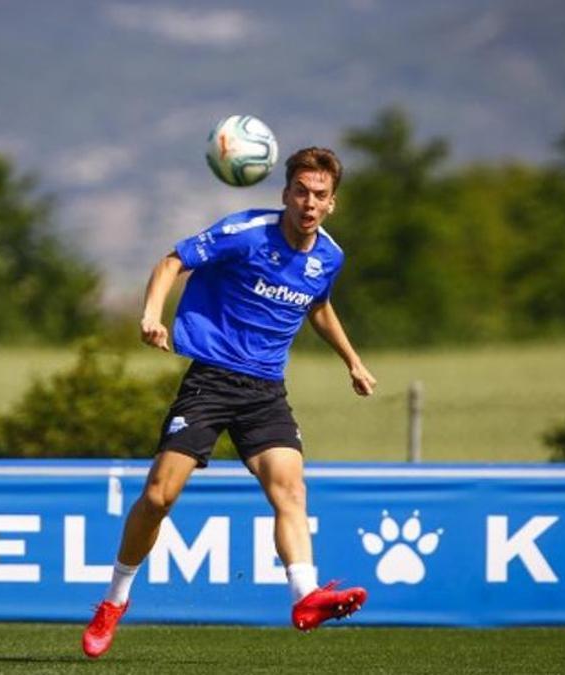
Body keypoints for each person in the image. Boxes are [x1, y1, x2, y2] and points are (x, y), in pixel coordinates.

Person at [82, 147, 377, 659]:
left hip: (265, 392)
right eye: (301, 192)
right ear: (285, 193)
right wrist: (152, 315)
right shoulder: (245, 233)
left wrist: (352, 360)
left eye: (320, 196)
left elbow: (320, 307)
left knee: (290, 489)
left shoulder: (329, 256)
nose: (309, 203)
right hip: (211, 382)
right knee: (157, 498)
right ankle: (114, 601)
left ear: (332, 204)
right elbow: (173, 262)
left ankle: (305, 595)